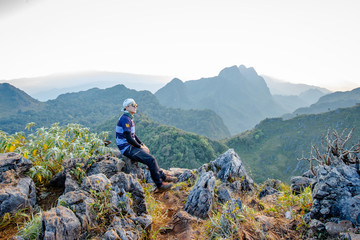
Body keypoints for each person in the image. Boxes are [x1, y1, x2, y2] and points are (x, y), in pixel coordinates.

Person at [116, 98, 176, 192]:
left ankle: (163, 177)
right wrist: (140, 147)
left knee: (150, 158)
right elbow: (128, 138)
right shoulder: (125, 119)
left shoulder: (129, 118)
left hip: (129, 146)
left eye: (136, 105)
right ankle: (160, 184)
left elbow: (133, 135)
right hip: (126, 148)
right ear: (126, 107)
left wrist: (142, 144)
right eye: (132, 105)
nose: (135, 106)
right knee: (151, 159)